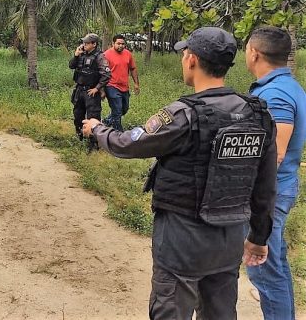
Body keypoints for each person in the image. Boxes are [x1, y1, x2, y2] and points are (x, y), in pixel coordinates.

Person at [82, 26, 277, 319]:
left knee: (171, 310)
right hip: (229, 240)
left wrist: (97, 128)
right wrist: (259, 237)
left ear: (192, 60)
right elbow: (265, 185)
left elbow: (128, 144)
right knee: (221, 312)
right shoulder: (258, 114)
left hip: (181, 240)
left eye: (185, 53)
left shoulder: (182, 115)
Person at [245, 26, 306, 319]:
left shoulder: (276, 94)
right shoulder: (287, 86)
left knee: (264, 274)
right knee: (275, 266)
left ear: (254, 53)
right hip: (281, 188)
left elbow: (276, 155)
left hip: (272, 193)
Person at [69, 33, 111, 148]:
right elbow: (71, 66)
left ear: (94, 44)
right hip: (79, 90)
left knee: (93, 118)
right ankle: (80, 138)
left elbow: (106, 75)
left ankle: (94, 144)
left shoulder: (99, 56)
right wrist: (76, 55)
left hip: (90, 92)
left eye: (87, 43)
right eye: (84, 43)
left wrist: (97, 88)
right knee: (78, 115)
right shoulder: (81, 54)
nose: (84, 45)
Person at [103, 34, 140, 131]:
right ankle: (118, 133)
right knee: (117, 110)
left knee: (124, 109)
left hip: (124, 86)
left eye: (123, 44)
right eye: (118, 43)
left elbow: (132, 68)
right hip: (111, 86)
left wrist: (136, 84)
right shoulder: (107, 55)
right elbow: (102, 72)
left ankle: (107, 121)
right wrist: (102, 90)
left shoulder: (128, 54)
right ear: (113, 43)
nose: (121, 46)